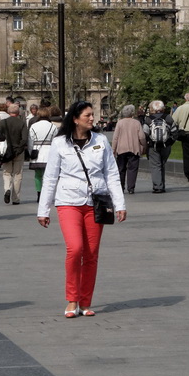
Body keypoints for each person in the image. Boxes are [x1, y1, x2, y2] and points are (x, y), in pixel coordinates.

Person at [37, 101, 127, 318]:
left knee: (91, 254)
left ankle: (85, 301)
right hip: (68, 201)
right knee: (75, 248)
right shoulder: (60, 143)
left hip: (96, 202)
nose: (92, 118)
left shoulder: (100, 141)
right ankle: (72, 299)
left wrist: (120, 203)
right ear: (75, 119)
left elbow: (111, 173)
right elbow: (50, 177)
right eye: (87, 115)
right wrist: (43, 209)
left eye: (92, 114)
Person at [142, 100, 176, 194]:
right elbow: (174, 132)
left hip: (153, 146)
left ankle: (158, 186)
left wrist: (147, 143)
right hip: (166, 145)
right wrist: (169, 142)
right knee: (162, 164)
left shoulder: (148, 119)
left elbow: (145, 133)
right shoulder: (168, 117)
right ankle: (162, 185)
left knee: (155, 166)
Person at [112, 104, 146, 195]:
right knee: (133, 169)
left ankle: (121, 187)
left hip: (121, 149)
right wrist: (144, 146)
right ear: (132, 113)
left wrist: (113, 149)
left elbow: (115, 138)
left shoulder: (120, 123)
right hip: (133, 149)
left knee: (121, 169)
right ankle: (131, 188)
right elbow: (142, 137)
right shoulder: (136, 123)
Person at [27, 105, 60, 197]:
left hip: (37, 151)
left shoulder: (33, 126)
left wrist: (31, 152)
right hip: (49, 152)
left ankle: (39, 193)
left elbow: (30, 141)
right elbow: (56, 141)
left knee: (38, 175)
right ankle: (47, 194)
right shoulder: (52, 126)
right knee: (48, 175)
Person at [0, 102, 28, 205]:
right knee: (17, 174)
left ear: (8, 112)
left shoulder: (3, 122)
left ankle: (7, 188)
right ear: (18, 112)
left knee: (7, 172)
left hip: (6, 151)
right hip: (18, 151)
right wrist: (19, 149)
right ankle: (15, 198)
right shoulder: (22, 123)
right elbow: (24, 139)